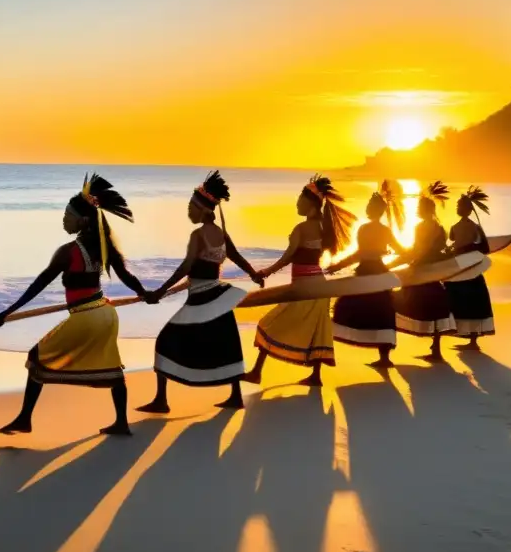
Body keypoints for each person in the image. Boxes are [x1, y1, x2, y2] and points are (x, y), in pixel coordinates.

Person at [0, 175, 148, 437]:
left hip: (87, 315)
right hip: (106, 313)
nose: (64, 220)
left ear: (83, 220)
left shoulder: (67, 251)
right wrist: (145, 293)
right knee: (112, 367)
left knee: (36, 358)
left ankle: (24, 419)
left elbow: (38, 285)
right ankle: (121, 422)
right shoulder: (103, 247)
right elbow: (127, 277)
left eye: (68, 215)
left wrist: (6, 312)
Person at [136, 171, 264, 412]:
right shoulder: (221, 233)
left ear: (203, 210)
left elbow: (186, 267)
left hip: (201, 299)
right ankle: (235, 395)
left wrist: (159, 292)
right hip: (218, 295)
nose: (188, 212)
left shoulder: (198, 235)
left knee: (165, 341)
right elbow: (236, 257)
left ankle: (161, 400)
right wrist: (254, 275)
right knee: (226, 344)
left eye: (191, 207)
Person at [242, 175, 356, 386]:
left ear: (310, 204)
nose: (296, 203)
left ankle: (257, 372)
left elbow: (288, 257)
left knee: (270, 324)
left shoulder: (301, 229)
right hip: (319, 287)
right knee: (317, 330)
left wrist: (265, 273)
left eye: (300, 200)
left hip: (304, 287)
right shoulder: (324, 228)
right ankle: (315, 376)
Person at [326, 179, 407, 367]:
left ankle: (383, 357)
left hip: (367, 272)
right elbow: (403, 252)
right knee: (382, 311)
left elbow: (359, 254)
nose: (368, 208)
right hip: (380, 273)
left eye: (370, 205)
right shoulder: (385, 230)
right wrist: (388, 258)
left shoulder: (365, 228)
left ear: (375, 210)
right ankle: (385, 357)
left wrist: (337, 266)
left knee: (351, 307)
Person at [391, 180, 455, 360]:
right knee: (436, 307)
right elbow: (434, 249)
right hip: (434, 272)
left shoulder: (422, 227)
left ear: (425, 209)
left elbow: (419, 250)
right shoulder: (439, 227)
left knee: (399, 302)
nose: (416, 209)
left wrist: (399, 263)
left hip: (422, 271)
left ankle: (385, 348)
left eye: (419, 206)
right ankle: (436, 349)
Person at [446, 186, 495, 350]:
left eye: (459, 206)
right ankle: (470, 340)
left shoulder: (459, 227)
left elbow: (455, 242)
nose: (457, 209)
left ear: (466, 209)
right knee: (470, 301)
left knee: (467, 301)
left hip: (464, 267)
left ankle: (472, 340)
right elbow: (485, 248)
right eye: (457, 206)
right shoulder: (473, 227)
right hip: (467, 267)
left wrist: (462, 249)